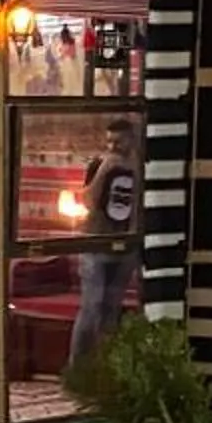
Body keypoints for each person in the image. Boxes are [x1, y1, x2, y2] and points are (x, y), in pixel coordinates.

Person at [70, 117, 142, 369]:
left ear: (132, 140)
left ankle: (105, 371)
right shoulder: (98, 164)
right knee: (91, 307)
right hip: (95, 243)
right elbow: (88, 201)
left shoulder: (141, 168)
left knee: (112, 309)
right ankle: (77, 370)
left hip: (125, 248)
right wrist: (103, 170)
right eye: (109, 141)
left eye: (118, 141)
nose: (112, 146)